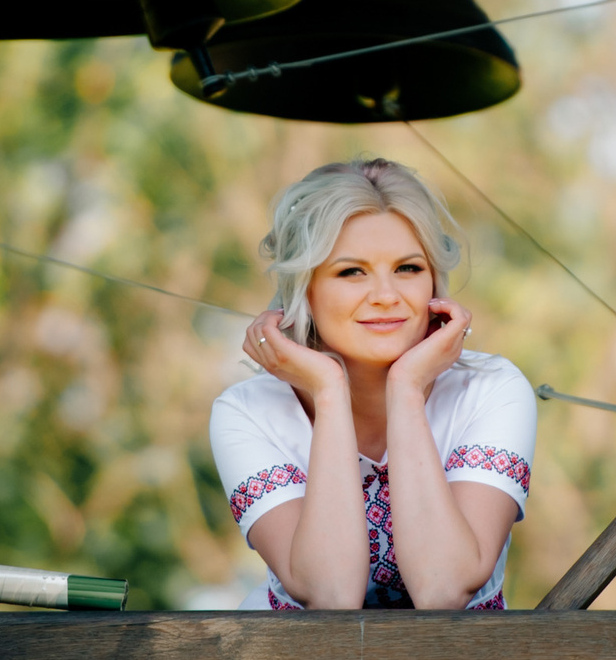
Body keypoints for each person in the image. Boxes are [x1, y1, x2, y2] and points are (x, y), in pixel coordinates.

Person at [210, 158, 535, 610]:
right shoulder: (248, 411)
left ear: (434, 283)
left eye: (408, 268)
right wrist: (328, 391)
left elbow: (445, 590)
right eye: (351, 272)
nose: (386, 295)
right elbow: (331, 597)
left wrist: (405, 387)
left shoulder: (492, 389)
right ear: (304, 289)